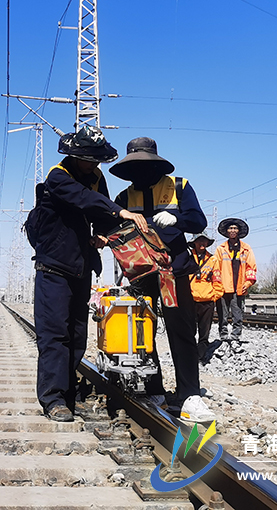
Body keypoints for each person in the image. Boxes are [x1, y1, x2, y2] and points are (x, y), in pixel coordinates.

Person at [32, 125, 147, 422]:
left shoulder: (96, 177)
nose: (93, 164)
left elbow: (100, 213)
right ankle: (53, 399)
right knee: (54, 335)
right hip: (53, 267)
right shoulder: (58, 176)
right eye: (88, 158)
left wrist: (106, 234)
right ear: (74, 155)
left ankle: (68, 397)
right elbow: (85, 199)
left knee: (76, 336)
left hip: (81, 267)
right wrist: (120, 211)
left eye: (96, 159)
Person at [109, 136, 215, 423]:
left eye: (145, 165)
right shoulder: (123, 198)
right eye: (134, 167)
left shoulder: (179, 187)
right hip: (141, 274)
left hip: (174, 270)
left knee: (181, 330)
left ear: (156, 164)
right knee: (143, 332)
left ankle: (189, 394)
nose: (140, 171)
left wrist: (177, 219)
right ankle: (153, 388)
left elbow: (199, 221)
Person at [214, 218, 257, 354]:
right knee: (222, 315)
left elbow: (251, 267)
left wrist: (248, 283)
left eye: (235, 228)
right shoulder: (220, 249)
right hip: (223, 288)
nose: (232, 230)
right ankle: (224, 338)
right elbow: (215, 268)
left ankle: (235, 338)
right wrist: (217, 286)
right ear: (226, 231)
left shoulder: (246, 249)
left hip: (239, 288)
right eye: (230, 228)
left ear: (238, 231)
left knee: (238, 315)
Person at [188, 233, 224, 365]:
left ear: (208, 243)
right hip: (190, 301)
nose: (202, 243)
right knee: (189, 331)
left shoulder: (213, 260)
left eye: (204, 240)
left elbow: (218, 280)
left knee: (204, 332)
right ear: (194, 242)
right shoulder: (188, 258)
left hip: (207, 302)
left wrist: (214, 296)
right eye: (199, 240)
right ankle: (189, 357)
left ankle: (200, 358)